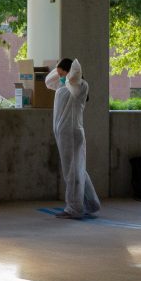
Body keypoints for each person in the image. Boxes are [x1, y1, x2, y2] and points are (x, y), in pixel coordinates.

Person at [45, 58, 101, 219]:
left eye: (61, 70)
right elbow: (48, 82)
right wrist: (60, 71)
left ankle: (74, 208)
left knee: (72, 171)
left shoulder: (80, 85)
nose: (58, 74)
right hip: (65, 132)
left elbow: (74, 81)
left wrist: (71, 71)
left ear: (69, 71)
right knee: (78, 169)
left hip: (71, 132)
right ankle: (92, 203)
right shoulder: (63, 85)